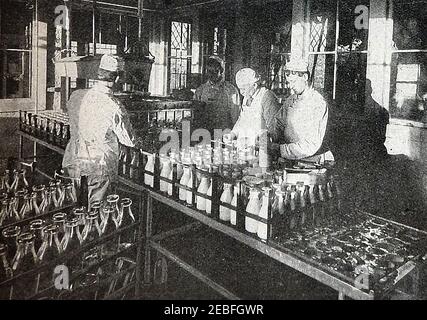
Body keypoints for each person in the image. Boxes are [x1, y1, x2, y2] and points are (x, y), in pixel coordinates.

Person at [62, 54, 135, 204]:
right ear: (117, 78)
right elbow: (129, 140)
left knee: (74, 209)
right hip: (98, 167)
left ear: (99, 73)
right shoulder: (114, 106)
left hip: (74, 161)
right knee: (97, 216)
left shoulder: (76, 96)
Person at [272, 58, 330, 162]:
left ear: (305, 77)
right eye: (288, 82)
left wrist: (279, 149)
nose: (290, 86)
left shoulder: (317, 103)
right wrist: (269, 135)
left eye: (293, 81)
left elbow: (310, 145)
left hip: (312, 160)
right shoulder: (291, 100)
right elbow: (278, 123)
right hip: (291, 157)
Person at [224, 67, 281, 148]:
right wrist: (233, 134)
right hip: (245, 147)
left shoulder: (267, 97)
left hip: (260, 149)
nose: (241, 92)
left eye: (243, 89)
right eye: (239, 89)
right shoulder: (247, 96)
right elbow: (242, 120)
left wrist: (254, 139)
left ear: (254, 85)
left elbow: (274, 130)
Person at [194, 56, 241, 131]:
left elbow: (235, 115)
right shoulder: (200, 90)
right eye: (209, 71)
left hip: (224, 130)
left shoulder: (231, 90)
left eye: (215, 71)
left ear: (221, 71)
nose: (211, 75)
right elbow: (196, 113)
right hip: (205, 131)